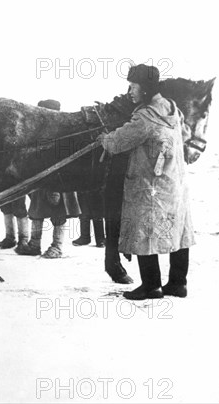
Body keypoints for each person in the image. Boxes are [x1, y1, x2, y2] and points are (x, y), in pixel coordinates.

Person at [99, 64, 194, 300]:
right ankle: (177, 283)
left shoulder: (145, 116)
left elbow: (117, 143)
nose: (130, 91)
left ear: (146, 88)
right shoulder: (173, 109)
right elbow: (186, 135)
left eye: (133, 86)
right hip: (174, 185)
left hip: (149, 188)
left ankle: (151, 286)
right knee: (178, 231)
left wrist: (104, 137)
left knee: (145, 231)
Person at [14, 100, 81, 258]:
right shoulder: (38, 134)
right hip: (41, 180)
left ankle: (56, 247)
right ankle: (34, 244)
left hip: (60, 181)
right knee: (37, 213)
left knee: (59, 214)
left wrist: (57, 188)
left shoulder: (66, 134)